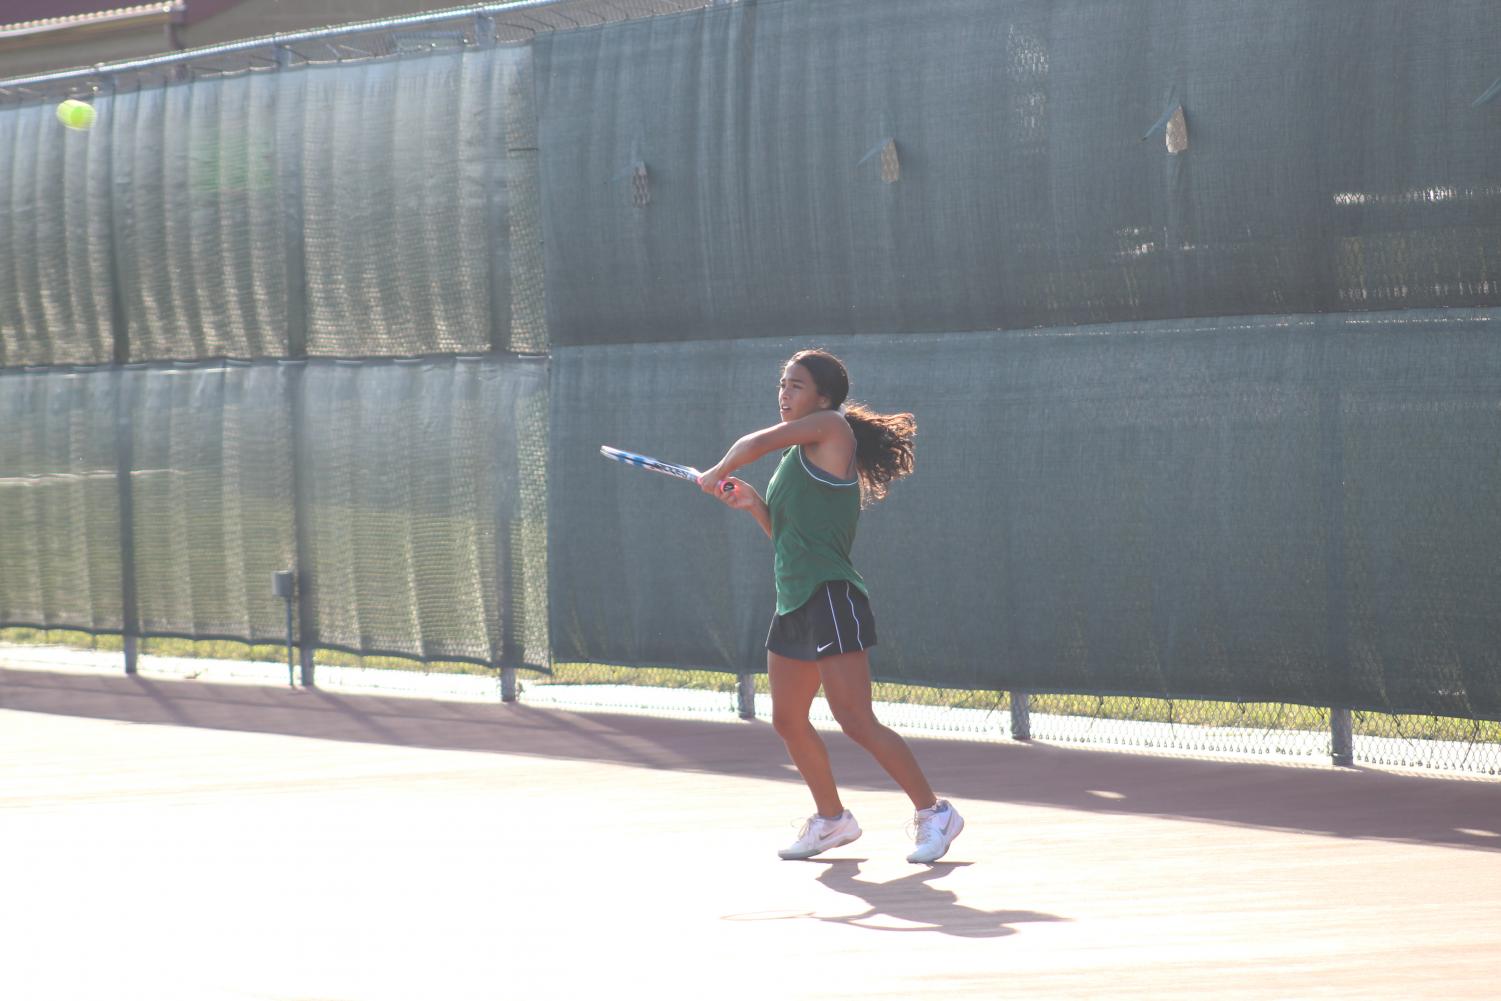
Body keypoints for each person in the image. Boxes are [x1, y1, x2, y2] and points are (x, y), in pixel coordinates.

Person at [697, 349, 964, 864]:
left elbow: (752, 442)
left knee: (855, 719)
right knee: (788, 719)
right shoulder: (794, 460)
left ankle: (935, 814)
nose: (784, 394)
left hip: (831, 596)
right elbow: (788, 540)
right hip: (794, 598)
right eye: (781, 384)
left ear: (823, 397)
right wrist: (755, 504)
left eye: (795, 386)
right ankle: (832, 820)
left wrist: (719, 468)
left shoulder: (832, 431)